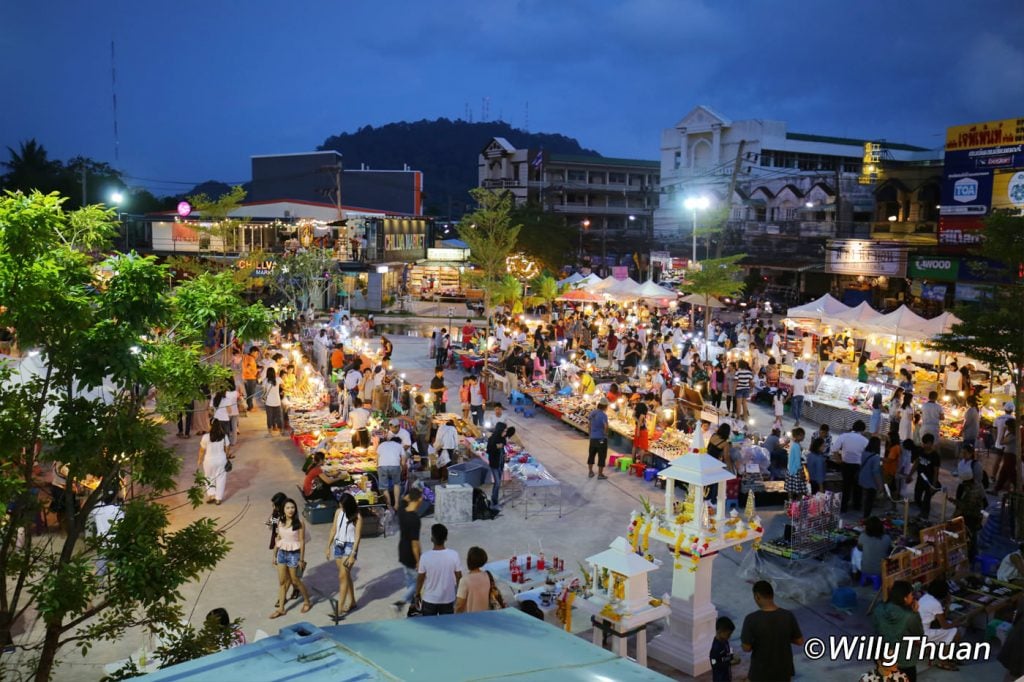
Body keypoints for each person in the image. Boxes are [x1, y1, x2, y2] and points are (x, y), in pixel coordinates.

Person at [740, 580, 804, 682]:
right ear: (772, 595)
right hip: (784, 671)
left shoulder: (751, 619)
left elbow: (746, 648)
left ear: (757, 596)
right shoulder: (787, 615)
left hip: (760, 672)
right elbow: (800, 641)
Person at [268, 498, 312, 618]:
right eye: (288, 508)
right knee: (282, 582)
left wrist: (301, 560)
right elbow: (278, 538)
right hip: (282, 553)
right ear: (283, 509)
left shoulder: (299, 523)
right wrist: (274, 555)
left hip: (294, 554)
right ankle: (281, 609)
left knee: (295, 581)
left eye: (292, 507)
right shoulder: (280, 522)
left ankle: (307, 601)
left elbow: (302, 541)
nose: (290, 510)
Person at [872, 580, 924, 681]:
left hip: (883, 656)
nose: (913, 597)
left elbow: (876, 627)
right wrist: (916, 613)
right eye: (911, 595)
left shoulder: (878, 608)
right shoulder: (910, 616)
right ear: (904, 598)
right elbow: (919, 634)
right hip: (904, 660)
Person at [326, 493, 363, 621]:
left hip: (349, 546)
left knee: (342, 576)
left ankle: (339, 609)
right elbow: (333, 529)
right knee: (346, 575)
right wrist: (328, 546)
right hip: (338, 544)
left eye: (343, 506)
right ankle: (352, 601)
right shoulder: (338, 512)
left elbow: (357, 537)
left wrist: (353, 555)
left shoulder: (357, 517)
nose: (341, 508)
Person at [416, 523, 463, 616]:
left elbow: (420, 579)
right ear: (446, 538)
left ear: (432, 538)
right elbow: (459, 578)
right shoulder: (454, 555)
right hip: (448, 599)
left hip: (429, 599)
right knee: (447, 628)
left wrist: (417, 594)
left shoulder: (425, 557)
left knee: (429, 628)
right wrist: (459, 595)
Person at [917, 579, 960, 668]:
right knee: (954, 632)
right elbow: (945, 625)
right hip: (924, 633)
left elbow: (941, 618)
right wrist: (956, 623)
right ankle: (943, 661)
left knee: (950, 627)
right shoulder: (935, 604)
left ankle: (936, 653)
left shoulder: (925, 597)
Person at [393, 489, 423, 612]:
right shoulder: (415, 519)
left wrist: (410, 494)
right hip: (411, 554)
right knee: (419, 581)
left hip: (402, 551)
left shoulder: (401, 511)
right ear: (419, 500)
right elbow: (415, 543)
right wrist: (419, 560)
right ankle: (403, 601)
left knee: (410, 580)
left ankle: (413, 606)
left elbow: (403, 500)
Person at [833, 420, 868, 514]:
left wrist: (838, 460)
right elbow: (867, 454)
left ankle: (843, 507)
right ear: (863, 430)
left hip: (846, 464)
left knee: (846, 486)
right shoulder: (865, 440)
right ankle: (857, 506)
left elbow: (834, 449)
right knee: (858, 487)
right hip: (858, 466)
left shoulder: (844, 436)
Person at [197, 421, 230, 505]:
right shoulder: (224, 436)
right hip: (221, 460)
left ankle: (211, 495)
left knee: (209, 477)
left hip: (209, 461)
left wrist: (199, 459)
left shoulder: (206, 437)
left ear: (211, 425)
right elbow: (227, 447)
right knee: (221, 478)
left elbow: (202, 450)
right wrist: (226, 456)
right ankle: (218, 498)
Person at [910, 434, 940, 521]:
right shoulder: (921, 451)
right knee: (917, 497)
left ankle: (924, 516)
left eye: (926, 443)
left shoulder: (935, 456)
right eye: (923, 443)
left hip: (929, 481)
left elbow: (936, 471)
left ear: (930, 443)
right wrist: (910, 474)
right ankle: (922, 510)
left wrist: (933, 485)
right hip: (920, 479)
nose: (924, 445)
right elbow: (916, 463)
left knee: (927, 500)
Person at [455, 546, 493, 613]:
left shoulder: (465, 580)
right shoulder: (487, 575)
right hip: (485, 616)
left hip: (470, 618)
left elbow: (459, 605)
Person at [487, 423, 514, 508]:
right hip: (494, 464)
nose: (505, 432)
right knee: (498, 483)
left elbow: (503, 450)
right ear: (500, 430)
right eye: (504, 430)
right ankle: (494, 501)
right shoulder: (492, 439)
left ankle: (494, 499)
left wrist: (506, 456)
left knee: (497, 484)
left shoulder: (503, 439)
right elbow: (489, 450)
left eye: (506, 431)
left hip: (501, 464)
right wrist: (497, 446)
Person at [376, 436, 405, 512]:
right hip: (395, 466)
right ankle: (396, 505)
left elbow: (377, 458)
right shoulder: (399, 445)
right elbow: (403, 460)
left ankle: (389, 506)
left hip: (382, 466)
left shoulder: (381, 445)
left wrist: (378, 467)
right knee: (396, 484)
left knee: (384, 487)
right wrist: (401, 467)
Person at [859, 436, 884, 518]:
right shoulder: (876, 457)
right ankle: (866, 517)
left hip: (862, 478)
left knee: (864, 497)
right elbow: (876, 472)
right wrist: (880, 486)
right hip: (871, 481)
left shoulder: (864, 453)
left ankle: (863, 513)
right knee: (869, 500)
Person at [587, 399, 610, 480]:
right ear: (605, 406)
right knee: (602, 456)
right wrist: (605, 433)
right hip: (601, 439)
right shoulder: (603, 415)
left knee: (591, 455)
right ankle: (600, 474)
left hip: (593, 438)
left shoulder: (593, 413)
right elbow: (606, 426)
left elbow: (589, 424)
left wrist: (590, 434)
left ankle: (590, 472)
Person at [710, 616, 737, 682]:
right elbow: (714, 664)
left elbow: (729, 650)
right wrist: (729, 663)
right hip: (719, 678)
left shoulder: (725, 641)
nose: (730, 637)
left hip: (727, 676)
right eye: (728, 634)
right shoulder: (715, 648)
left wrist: (732, 655)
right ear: (719, 631)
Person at [996, 418, 1019, 492]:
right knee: (1004, 472)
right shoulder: (1011, 434)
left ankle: (1018, 487)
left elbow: (1001, 442)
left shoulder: (1014, 435)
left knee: (1011, 473)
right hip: (1007, 454)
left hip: (1010, 455)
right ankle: (997, 488)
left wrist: (1003, 432)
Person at [411, 395, 434, 466]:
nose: (420, 406)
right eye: (418, 404)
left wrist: (428, 434)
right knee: (419, 449)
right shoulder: (414, 408)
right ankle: (422, 465)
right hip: (417, 432)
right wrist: (414, 430)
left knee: (424, 450)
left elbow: (430, 422)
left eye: (421, 404)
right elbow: (414, 420)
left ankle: (426, 466)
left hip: (424, 433)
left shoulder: (427, 409)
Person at [785, 427, 806, 499]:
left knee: (790, 489)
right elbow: (797, 461)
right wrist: (801, 472)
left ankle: (790, 504)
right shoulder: (796, 446)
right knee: (800, 490)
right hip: (796, 471)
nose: (804, 437)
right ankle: (799, 505)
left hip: (790, 469)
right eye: (803, 435)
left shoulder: (793, 444)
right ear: (798, 436)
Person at [264, 367, 284, 435]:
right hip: (277, 401)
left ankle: (270, 432)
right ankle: (281, 430)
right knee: (278, 417)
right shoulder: (278, 379)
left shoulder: (265, 380)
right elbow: (283, 385)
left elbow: (264, 391)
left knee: (269, 417)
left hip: (268, 402)